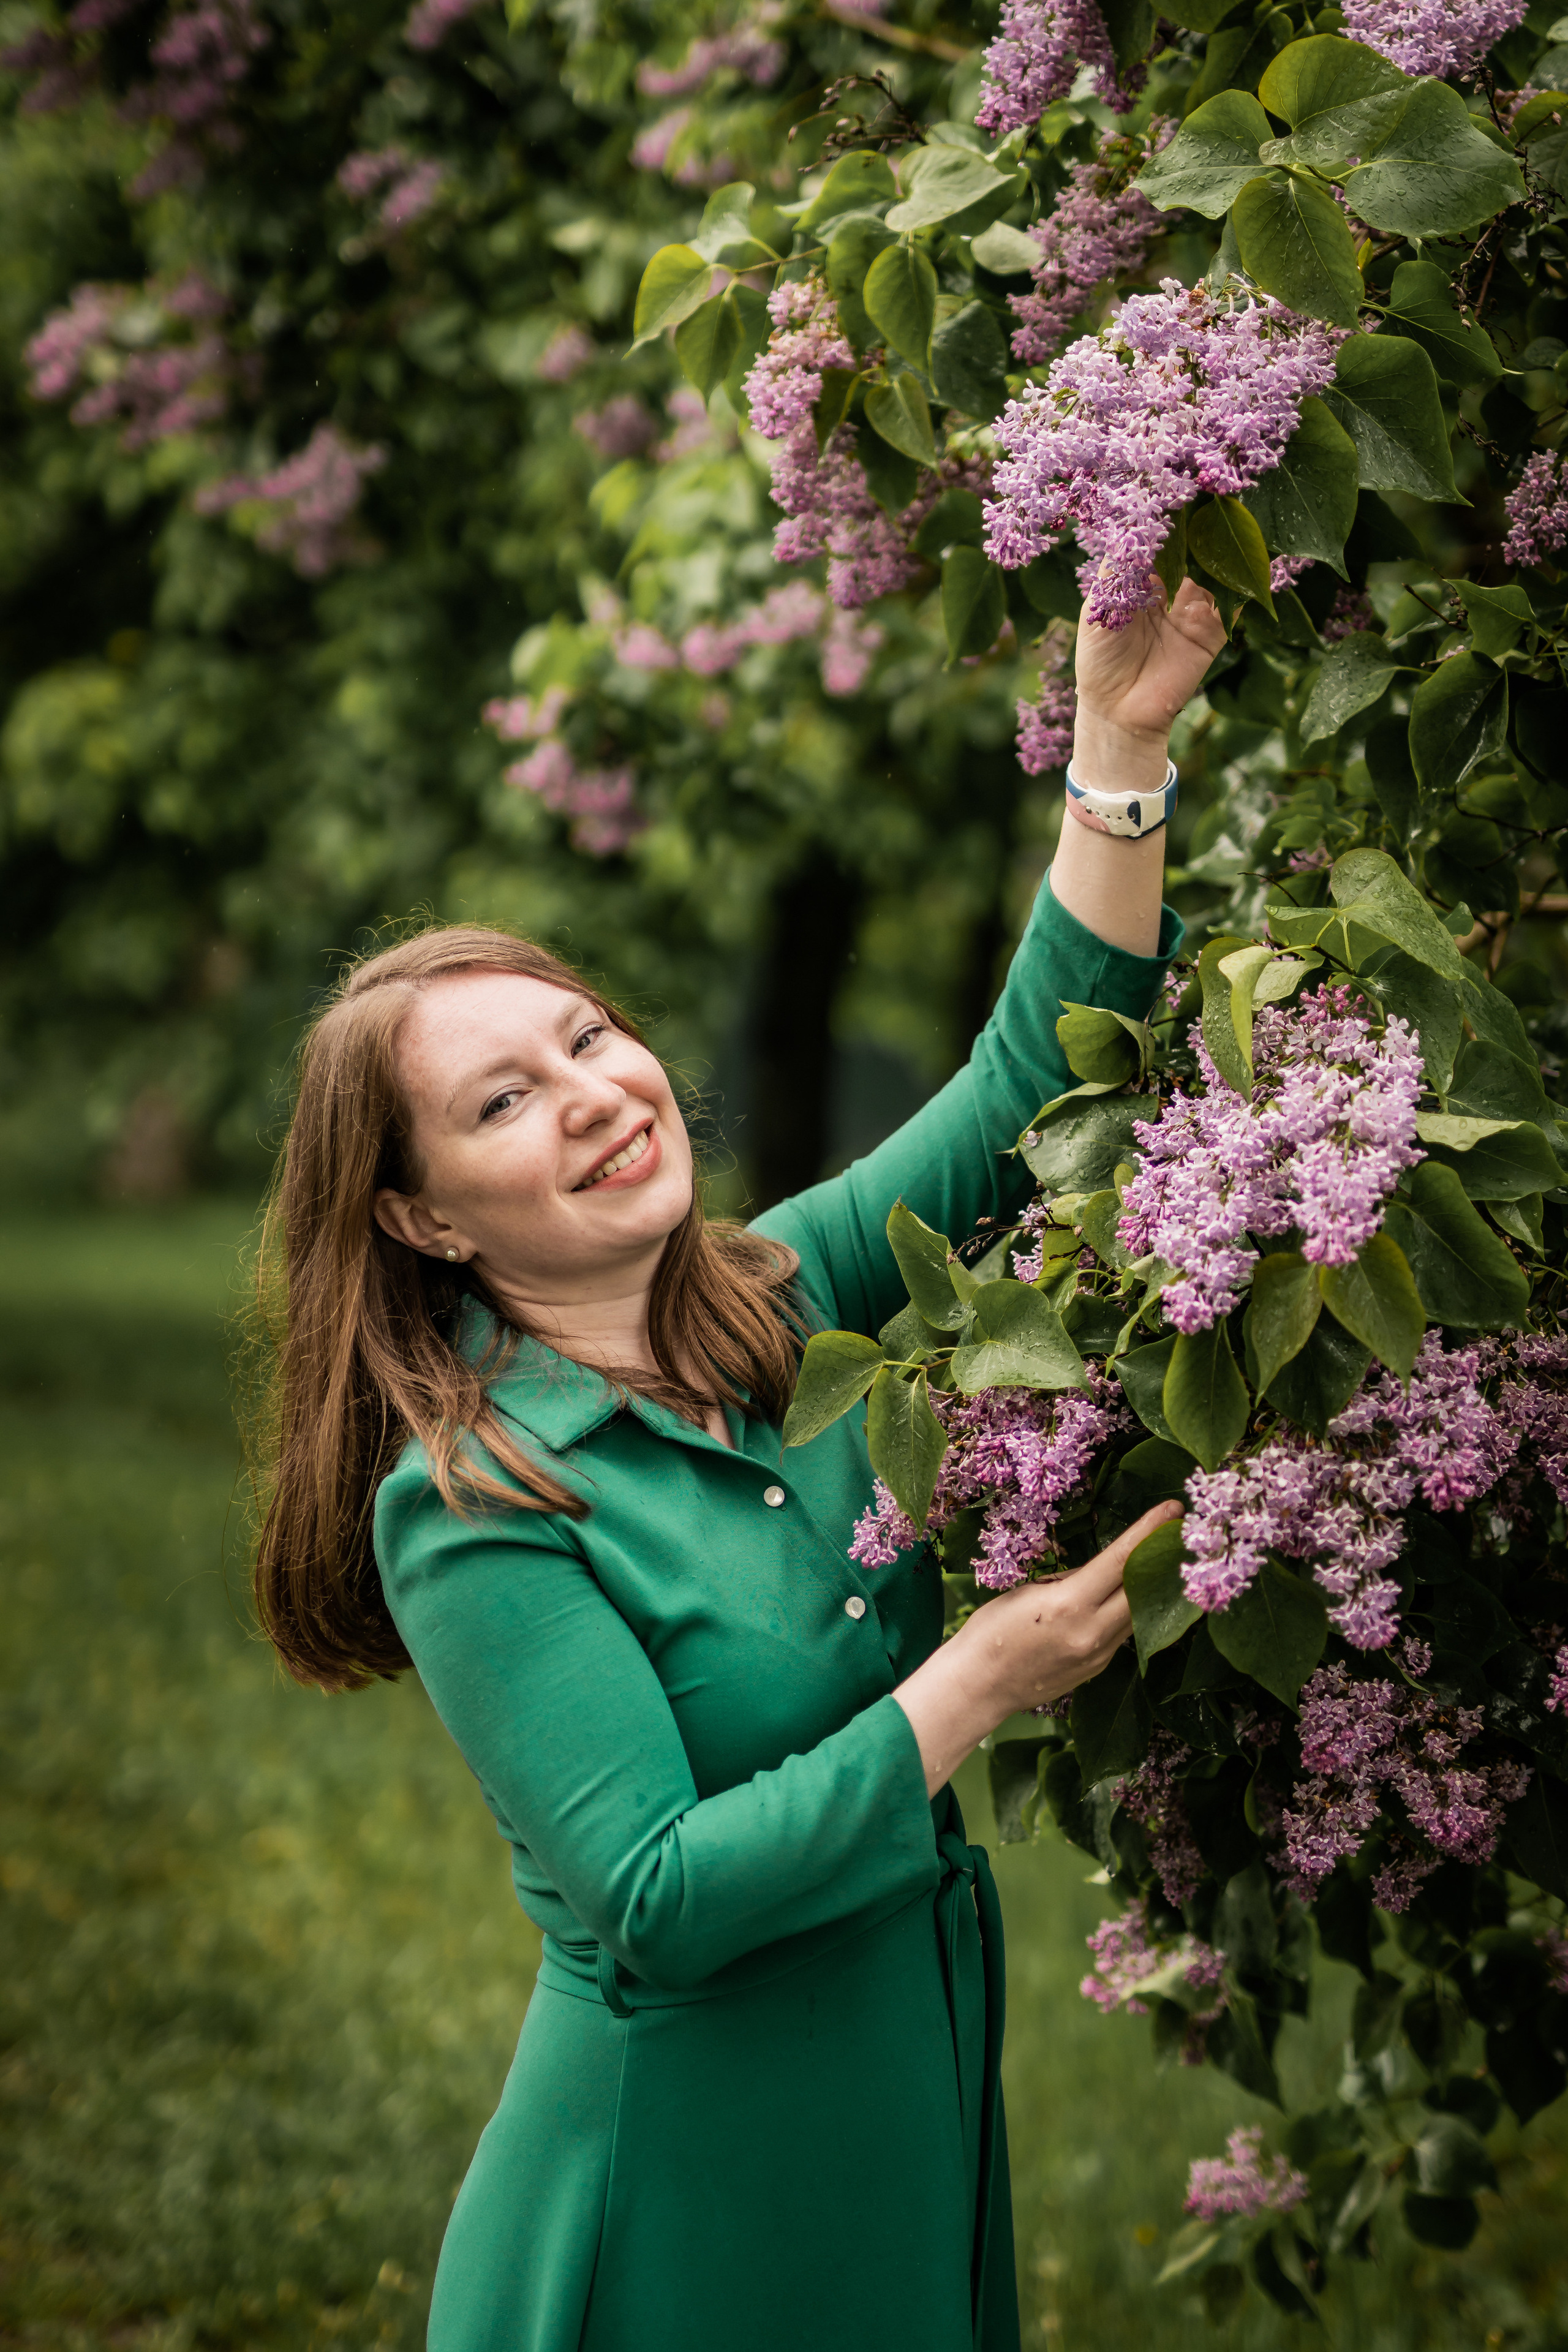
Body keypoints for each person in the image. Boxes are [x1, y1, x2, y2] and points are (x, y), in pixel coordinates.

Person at [251, 578, 1226, 2352]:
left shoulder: (786, 1300)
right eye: (500, 1103)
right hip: (685, 2189)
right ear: (421, 1218)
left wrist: (1120, 745)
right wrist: (975, 1685)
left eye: (585, 1035)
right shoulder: (473, 1508)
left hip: (897, 2108)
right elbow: (657, 1902)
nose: (596, 1091)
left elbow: (1024, 1093)